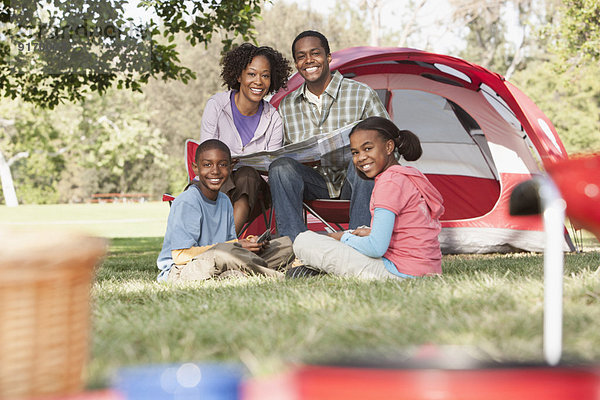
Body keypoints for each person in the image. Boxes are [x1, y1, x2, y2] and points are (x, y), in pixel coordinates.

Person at [269, 30, 390, 241]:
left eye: (315, 53)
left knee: (365, 160)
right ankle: (295, 247)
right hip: (315, 184)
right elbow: (286, 153)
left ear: (328, 57)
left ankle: (359, 245)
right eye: (301, 56)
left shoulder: (361, 94)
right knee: (280, 167)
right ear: (296, 64)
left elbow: (388, 142)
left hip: (354, 183)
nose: (308, 60)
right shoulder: (287, 105)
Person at [291, 117, 444, 279]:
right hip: (427, 268)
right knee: (358, 231)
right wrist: (362, 233)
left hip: (399, 272)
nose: (361, 157)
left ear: (388, 147)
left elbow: (376, 248)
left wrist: (341, 237)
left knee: (304, 241)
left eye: (368, 148)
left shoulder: (389, 182)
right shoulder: (408, 175)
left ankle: (309, 265)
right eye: (355, 152)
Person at [156, 139, 294, 282]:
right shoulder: (188, 201)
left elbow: (230, 244)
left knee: (284, 245)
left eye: (222, 165)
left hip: (222, 259)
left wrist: (249, 244)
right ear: (195, 168)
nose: (215, 171)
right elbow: (180, 256)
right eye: (207, 165)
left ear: (230, 168)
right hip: (184, 269)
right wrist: (232, 247)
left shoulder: (224, 200)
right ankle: (277, 276)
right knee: (221, 254)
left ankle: (236, 273)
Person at [200, 43, 292, 234]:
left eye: (265, 76)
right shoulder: (217, 106)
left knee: (248, 175)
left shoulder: (273, 118)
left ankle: (225, 241)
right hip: (217, 179)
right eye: (251, 74)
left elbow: (270, 170)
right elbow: (206, 155)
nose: (258, 81)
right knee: (212, 178)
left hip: (255, 190)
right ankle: (214, 241)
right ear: (239, 75)